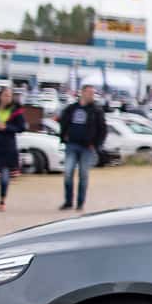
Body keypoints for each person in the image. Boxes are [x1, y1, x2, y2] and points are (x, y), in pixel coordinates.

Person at [57, 84, 107, 212]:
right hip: (72, 144)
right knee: (68, 173)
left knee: (83, 175)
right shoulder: (72, 108)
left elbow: (103, 129)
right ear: (82, 93)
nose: (91, 95)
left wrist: (96, 144)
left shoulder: (96, 110)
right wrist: (64, 136)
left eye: (93, 93)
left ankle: (80, 203)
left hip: (87, 147)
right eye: (89, 92)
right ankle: (68, 201)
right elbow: (63, 121)